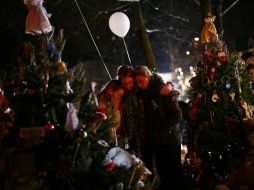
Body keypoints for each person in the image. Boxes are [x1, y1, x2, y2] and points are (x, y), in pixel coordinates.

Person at [134, 66, 190, 190]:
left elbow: (177, 114)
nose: (139, 84)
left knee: (175, 171)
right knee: (163, 173)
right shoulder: (142, 94)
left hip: (170, 140)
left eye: (141, 81)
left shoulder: (162, 90)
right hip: (156, 141)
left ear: (148, 77)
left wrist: (162, 129)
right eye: (136, 82)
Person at [116, 65, 173, 156]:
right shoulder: (119, 94)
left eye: (130, 82)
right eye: (124, 83)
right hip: (128, 137)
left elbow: (153, 81)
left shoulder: (140, 90)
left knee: (148, 163)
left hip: (146, 135)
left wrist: (169, 85)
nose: (127, 86)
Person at [97, 79, 124, 145]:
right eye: (119, 95)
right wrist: (115, 110)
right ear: (110, 91)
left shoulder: (111, 103)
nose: (119, 98)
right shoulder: (101, 105)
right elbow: (111, 127)